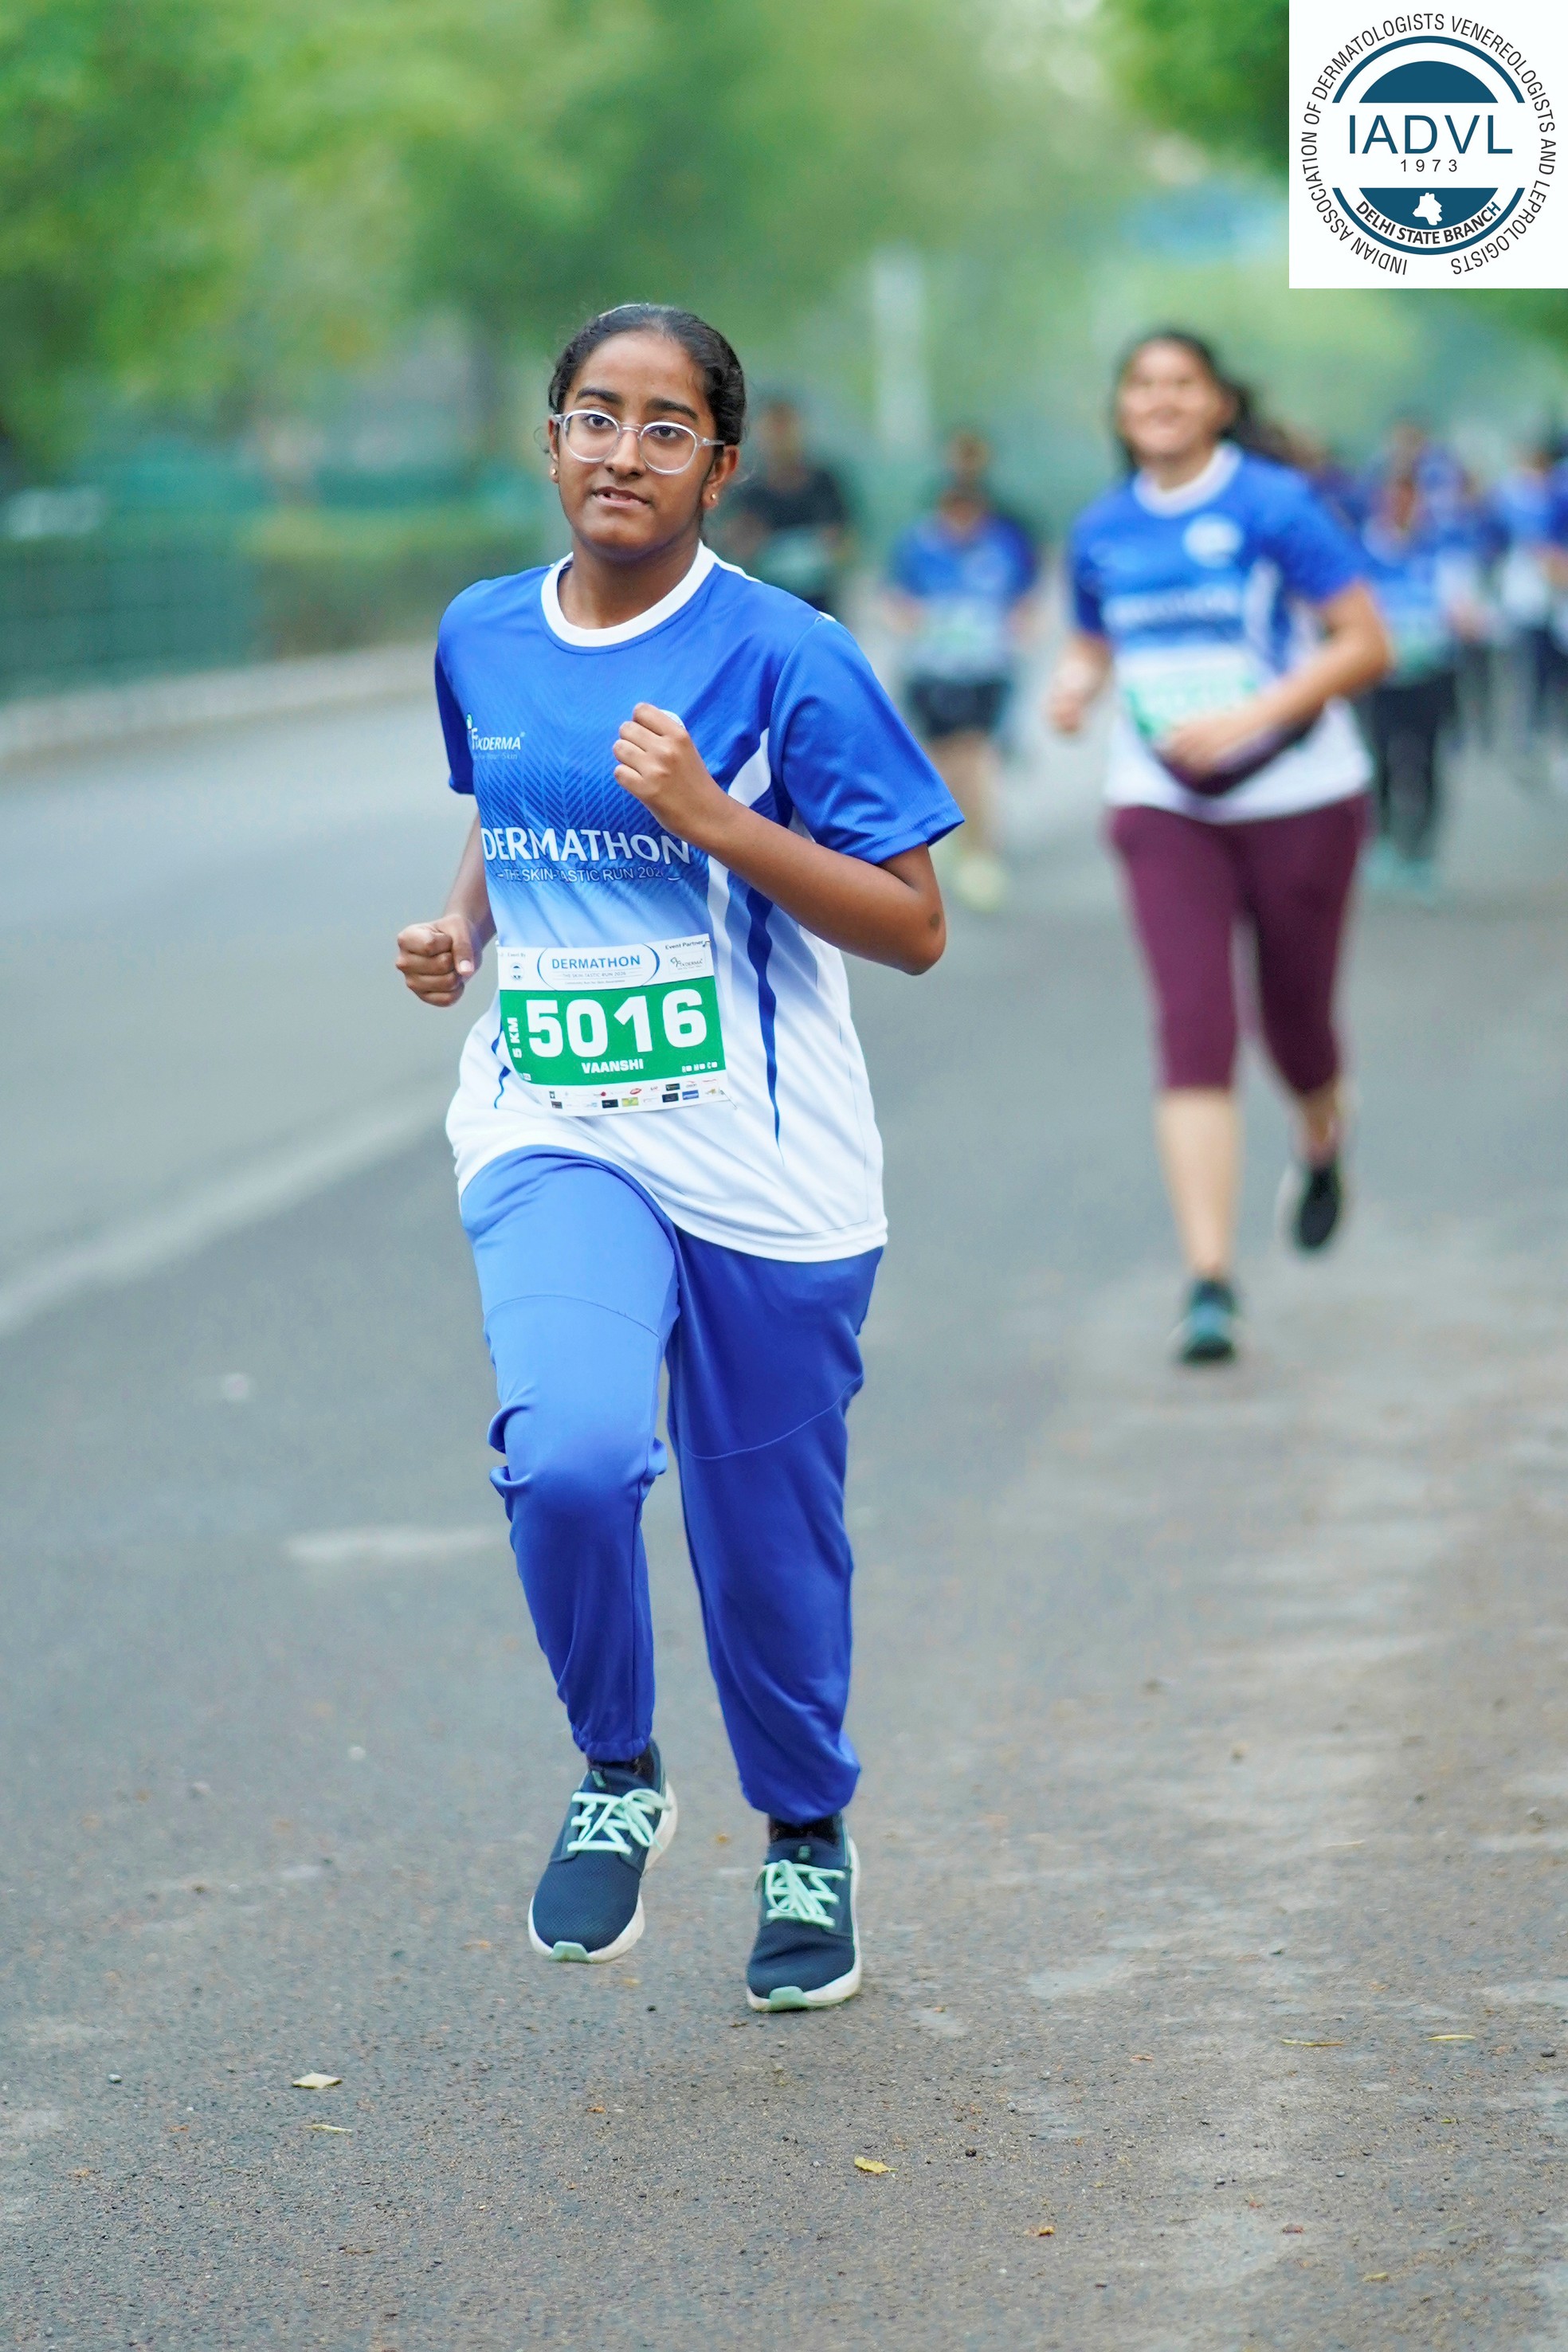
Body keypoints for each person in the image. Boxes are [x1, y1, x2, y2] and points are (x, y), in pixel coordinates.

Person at [395, 304, 959, 2011]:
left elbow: (914, 925)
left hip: (766, 1165)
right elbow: (509, 804)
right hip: (553, 1122)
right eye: (594, 415)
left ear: (719, 466)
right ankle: (616, 1771)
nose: (621, 452)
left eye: (664, 428)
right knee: (569, 1455)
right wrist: (464, 927)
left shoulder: (789, 656)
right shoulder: (482, 632)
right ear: (549, 439)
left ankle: (804, 1830)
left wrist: (719, 820)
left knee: (766, 1544)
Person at [1046, 331, 1390, 1366]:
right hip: (1164, 803)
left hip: (1300, 796)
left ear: (1218, 403)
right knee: (1194, 1027)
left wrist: (1254, 715)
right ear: (1120, 409)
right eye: (1142, 385)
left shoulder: (1275, 506)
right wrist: (1075, 685)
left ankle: (1321, 1137)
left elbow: (1366, 641)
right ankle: (1209, 1282)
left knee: (1297, 1029)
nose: (1160, 399)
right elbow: (1094, 637)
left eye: (1181, 384)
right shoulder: (1102, 529)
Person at [888, 430, 1040, 915]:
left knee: (975, 756)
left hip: (985, 670)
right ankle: (957, 839)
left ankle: (981, 853)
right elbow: (895, 598)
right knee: (944, 761)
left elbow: (1026, 596)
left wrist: (1016, 629)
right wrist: (916, 622)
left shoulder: (1004, 543)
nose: (960, 520)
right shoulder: (917, 546)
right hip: (932, 671)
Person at [1359, 468, 1488, 898]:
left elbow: (1466, 605)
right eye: (1392, 499)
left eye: (1408, 500)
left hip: (1432, 673)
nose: (1400, 508)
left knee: (1428, 761)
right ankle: (1384, 843)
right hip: (1381, 675)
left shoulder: (1441, 548)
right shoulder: (1363, 549)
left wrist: (1467, 618)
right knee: (1381, 759)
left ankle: (1422, 855)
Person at [719, 396, 852, 615]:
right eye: (773, 429)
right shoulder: (748, 491)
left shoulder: (824, 484)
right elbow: (733, 547)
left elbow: (846, 542)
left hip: (819, 603)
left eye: (786, 428)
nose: (781, 438)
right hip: (766, 603)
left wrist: (827, 549)